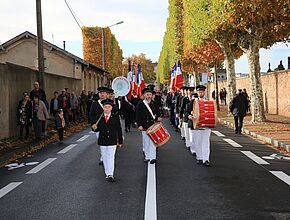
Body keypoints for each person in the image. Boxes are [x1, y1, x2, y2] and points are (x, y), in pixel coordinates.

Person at [91, 99, 123, 182]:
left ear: (111, 108)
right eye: (105, 107)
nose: (107, 109)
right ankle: (107, 172)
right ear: (103, 108)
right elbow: (96, 129)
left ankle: (110, 174)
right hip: (103, 140)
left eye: (109, 107)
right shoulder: (99, 117)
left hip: (112, 140)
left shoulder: (115, 117)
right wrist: (94, 128)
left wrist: (120, 141)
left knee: (111, 156)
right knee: (105, 157)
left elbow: (119, 129)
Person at [136, 88, 161, 164]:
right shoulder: (140, 104)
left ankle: (153, 157)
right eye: (147, 94)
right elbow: (137, 115)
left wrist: (159, 117)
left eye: (150, 94)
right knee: (146, 142)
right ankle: (147, 156)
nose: (149, 96)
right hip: (144, 125)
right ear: (144, 95)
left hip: (153, 125)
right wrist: (139, 125)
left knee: (153, 141)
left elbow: (158, 112)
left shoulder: (154, 103)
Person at [191, 85, 211, 166]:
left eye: (202, 92)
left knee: (206, 142)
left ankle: (206, 159)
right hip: (197, 126)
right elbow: (188, 111)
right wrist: (190, 115)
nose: (200, 93)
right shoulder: (193, 102)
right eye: (199, 92)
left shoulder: (209, 102)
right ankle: (199, 157)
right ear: (197, 93)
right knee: (198, 142)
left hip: (206, 126)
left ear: (204, 92)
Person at [90, 87, 109, 165]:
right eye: (100, 93)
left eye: (103, 93)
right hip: (99, 127)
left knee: (108, 143)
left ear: (106, 94)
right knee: (102, 143)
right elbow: (91, 115)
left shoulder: (109, 103)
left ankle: (107, 157)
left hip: (108, 126)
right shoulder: (94, 103)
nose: (102, 94)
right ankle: (103, 158)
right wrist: (93, 124)